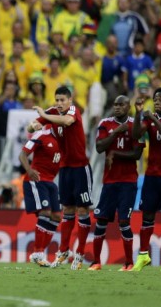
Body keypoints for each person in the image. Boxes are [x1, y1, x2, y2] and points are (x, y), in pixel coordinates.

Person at [30, 86, 93, 270]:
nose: (59, 103)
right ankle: (64, 251)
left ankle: (80, 254)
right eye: (57, 100)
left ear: (70, 100)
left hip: (81, 167)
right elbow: (32, 125)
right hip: (64, 169)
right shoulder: (51, 112)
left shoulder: (73, 111)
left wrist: (45, 116)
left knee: (82, 210)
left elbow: (66, 121)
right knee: (67, 210)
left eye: (62, 100)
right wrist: (34, 125)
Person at [89, 95, 145, 271]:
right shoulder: (105, 124)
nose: (117, 107)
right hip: (110, 181)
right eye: (115, 104)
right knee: (101, 220)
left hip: (128, 181)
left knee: (123, 222)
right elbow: (99, 148)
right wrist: (115, 132)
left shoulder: (135, 125)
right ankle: (96, 262)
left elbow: (137, 154)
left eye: (121, 104)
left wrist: (117, 154)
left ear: (128, 107)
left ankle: (129, 263)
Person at [131, 88, 161, 272]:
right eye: (155, 99)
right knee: (147, 215)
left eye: (160, 99)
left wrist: (153, 119)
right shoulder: (148, 119)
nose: (157, 101)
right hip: (151, 175)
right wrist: (137, 114)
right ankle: (143, 255)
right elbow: (136, 134)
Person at [18, 121, 62, 267]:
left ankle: (40, 252)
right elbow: (23, 154)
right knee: (45, 212)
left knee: (56, 216)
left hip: (51, 182)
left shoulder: (66, 141)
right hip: (37, 179)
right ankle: (37, 253)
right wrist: (29, 170)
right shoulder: (42, 135)